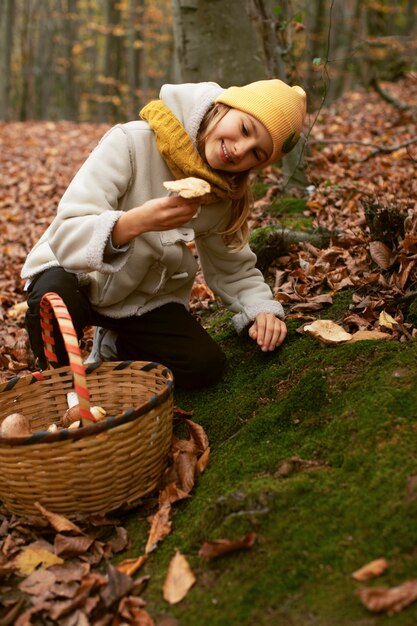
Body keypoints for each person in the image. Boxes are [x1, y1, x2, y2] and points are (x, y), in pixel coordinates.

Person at [21, 79, 307, 389]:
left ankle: (114, 348)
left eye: (257, 154)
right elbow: (67, 230)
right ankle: (60, 389)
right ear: (224, 108)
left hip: (140, 294)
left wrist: (261, 310)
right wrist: (134, 223)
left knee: (202, 365)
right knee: (53, 302)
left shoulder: (223, 194)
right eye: (245, 129)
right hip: (74, 273)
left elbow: (232, 267)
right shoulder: (131, 141)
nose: (240, 150)